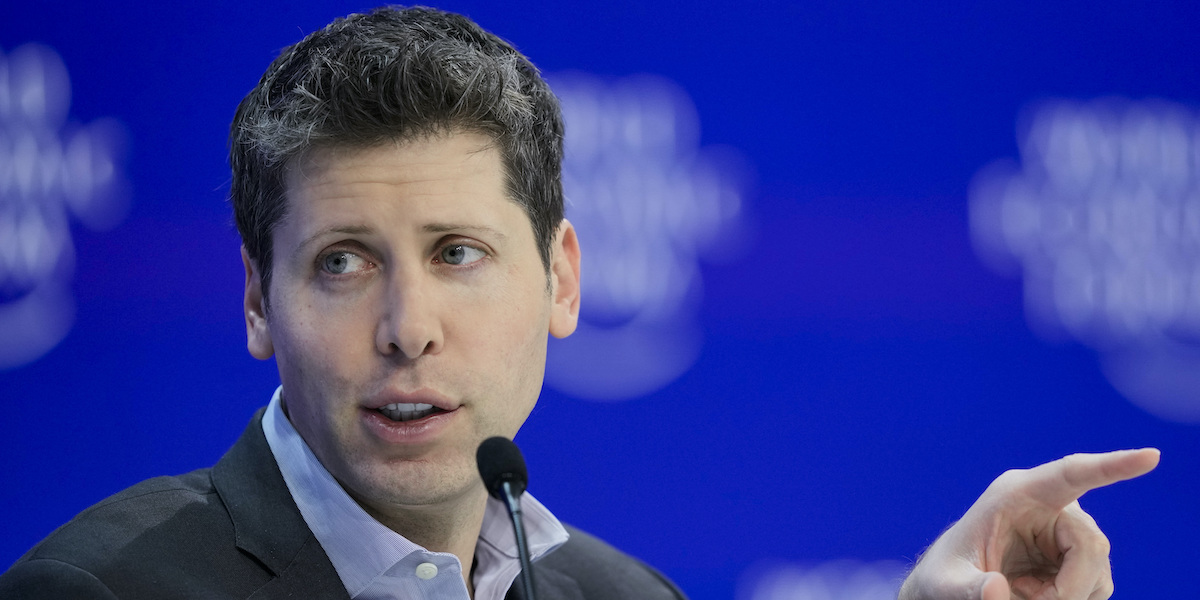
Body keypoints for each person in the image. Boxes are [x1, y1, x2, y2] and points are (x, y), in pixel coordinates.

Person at [0, 6, 1159, 600]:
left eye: (457, 252)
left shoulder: (618, 594)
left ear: (562, 278)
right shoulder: (98, 591)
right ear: (257, 302)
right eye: (343, 263)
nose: (408, 326)